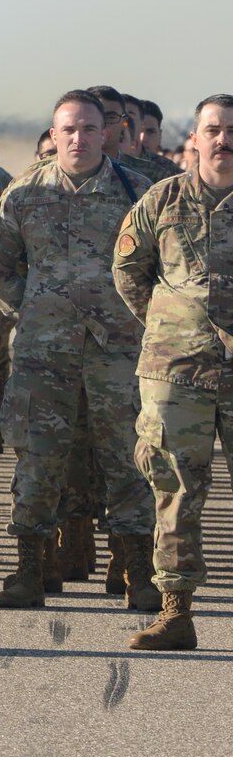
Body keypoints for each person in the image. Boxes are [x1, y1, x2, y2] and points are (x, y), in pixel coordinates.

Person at [0, 90, 155, 611]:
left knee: (128, 458)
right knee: (37, 460)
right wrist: (32, 310)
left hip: (117, 352)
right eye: (68, 130)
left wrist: (137, 317)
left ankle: (138, 571)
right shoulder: (22, 194)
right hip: (43, 354)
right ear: (53, 136)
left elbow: (158, 267)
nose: (78, 139)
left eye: (88, 129)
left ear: (107, 134)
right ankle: (30, 568)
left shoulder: (137, 193)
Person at [111, 93, 233, 651]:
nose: (224, 140)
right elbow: (129, 271)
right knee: (175, 489)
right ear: (196, 138)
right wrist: (170, 325)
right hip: (175, 371)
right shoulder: (162, 199)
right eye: (214, 129)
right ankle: (176, 611)